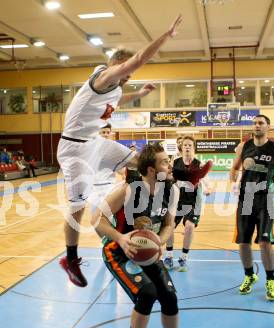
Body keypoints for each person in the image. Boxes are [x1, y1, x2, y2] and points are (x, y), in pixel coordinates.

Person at [57, 15, 183, 288]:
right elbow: (136, 59)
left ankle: (141, 203)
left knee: (142, 161)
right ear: (116, 65)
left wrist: (137, 95)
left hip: (95, 143)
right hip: (76, 148)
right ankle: (70, 258)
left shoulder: (113, 90)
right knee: (77, 206)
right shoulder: (102, 78)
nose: (128, 76)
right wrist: (166, 35)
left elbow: (115, 101)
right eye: (125, 72)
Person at [92, 143, 195, 328]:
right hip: (118, 250)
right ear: (150, 170)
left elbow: (169, 223)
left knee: (169, 296)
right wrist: (120, 237)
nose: (170, 166)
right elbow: (97, 220)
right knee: (147, 293)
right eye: (164, 162)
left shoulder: (171, 191)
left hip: (147, 251)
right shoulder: (127, 190)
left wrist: (160, 243)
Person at [230, 114, 274, 301]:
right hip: (246, 199)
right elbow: (233, 169)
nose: (257, 126)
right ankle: (249, 275)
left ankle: (270, 280)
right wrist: (233, 182)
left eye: (261, 123)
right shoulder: (243, 146)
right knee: (243, 241)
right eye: (255, 123)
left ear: (268, 127)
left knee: (265, 241)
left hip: (267, 200)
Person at [164, 136, 212, 272]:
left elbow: (206, 179)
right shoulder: (175, 162)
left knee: (189, 227)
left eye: (190, 145)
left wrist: (208, 188)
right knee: (170, 226)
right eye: (185, 145)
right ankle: (168, 256)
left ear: (193, 148)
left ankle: (183, 258)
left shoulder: (199, 164)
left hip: (193, 202)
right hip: (177, 201)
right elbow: (169, 177)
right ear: (181, 148)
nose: (187, 147)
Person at [88, 123, 125, 214]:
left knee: (109, 215)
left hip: (109, 187)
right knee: (94, 216)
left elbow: (121, 171)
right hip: (94, 188)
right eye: (103, 132)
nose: (105, 134)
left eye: (108, 132)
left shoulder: (114, 150)